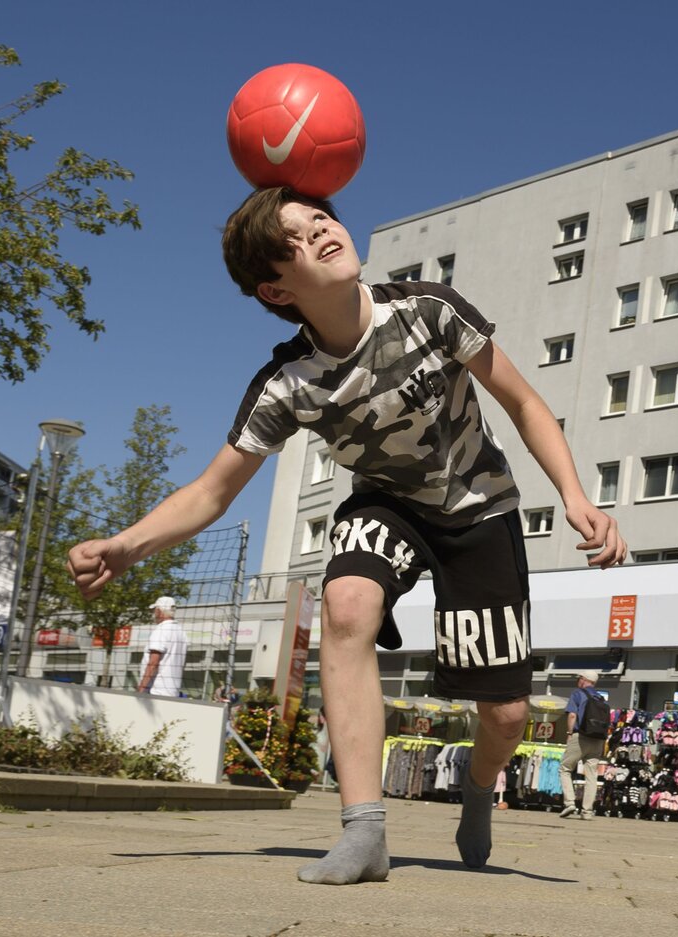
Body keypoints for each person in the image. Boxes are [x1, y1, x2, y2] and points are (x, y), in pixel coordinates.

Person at [66, 187, 626, 886]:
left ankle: (479, 790)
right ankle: (364, 829)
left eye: (320, 219)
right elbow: (211, 492)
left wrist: (575, 495)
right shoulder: (288, 383)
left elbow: (522, 400)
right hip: (386, 505)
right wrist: (126, 545)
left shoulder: (428, 310)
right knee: (347, 603)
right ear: (275, 287)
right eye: (297, 237)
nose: (322, 232)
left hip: (480, 507)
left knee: (507, 714)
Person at [558, 670, 607, 819]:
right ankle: (587, 811)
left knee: (565, 768)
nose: (578, 681)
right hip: (598, 739)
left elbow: (572, 715)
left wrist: (569, 733)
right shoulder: (600, 698)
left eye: (579, 678)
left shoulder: (578, 694)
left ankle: (570, 803)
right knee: (591, 775)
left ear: (584, 680)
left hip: (581, 737)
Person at [136, 596, 186, 697]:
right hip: (173, 691)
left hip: (156, 692)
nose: (154, 614)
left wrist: (141, 689)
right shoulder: (181, 632)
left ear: (159, 611)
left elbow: (153, 662)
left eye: (154, 610)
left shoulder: (161, 630)